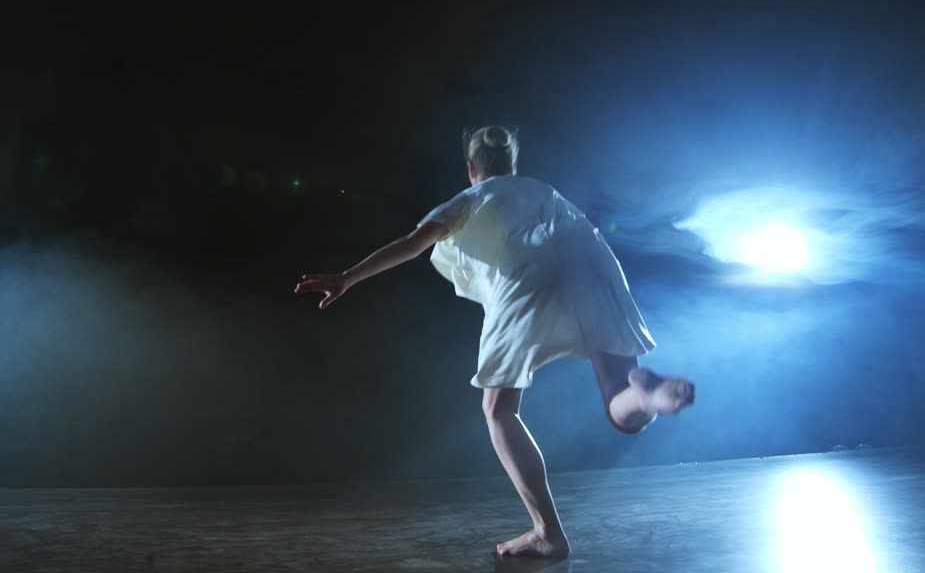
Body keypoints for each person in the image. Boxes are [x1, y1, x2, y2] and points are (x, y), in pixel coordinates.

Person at [295, 125, 695, 558]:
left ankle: (548, 532)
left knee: (499, 410)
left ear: (472, 169)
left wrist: (348, 276)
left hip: (528, 277)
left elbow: (412, 245)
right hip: (595, 264)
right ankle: (645, 394)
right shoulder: (543, 190)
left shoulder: (468, 198)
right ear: (514, 166)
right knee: (622, 405)